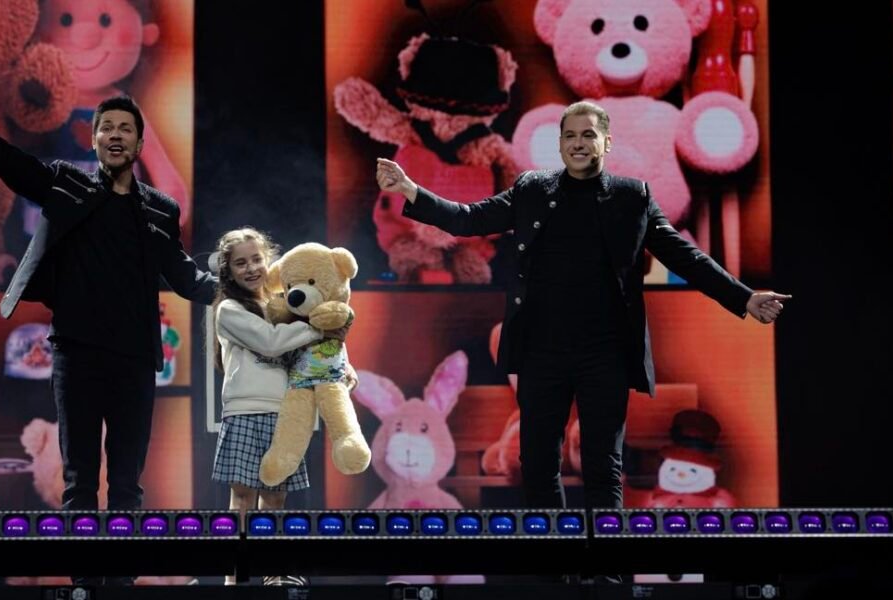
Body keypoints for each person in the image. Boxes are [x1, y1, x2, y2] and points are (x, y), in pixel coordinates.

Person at [376, 100, 790, 510]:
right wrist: (411, 191)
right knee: (538, 465)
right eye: (570, 135)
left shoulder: (633, 198)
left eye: (588, 134)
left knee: (603, 466)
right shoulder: (531, 190)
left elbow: (687, 258)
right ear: (559, 144)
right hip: (542, 349)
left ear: (606, 142)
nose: (578, 143)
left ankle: (605, 554)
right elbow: (467, 218)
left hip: (605, 351)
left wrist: (744, 298)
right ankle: (556, 553)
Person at [0, 52, 217, 584]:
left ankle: (120, 582)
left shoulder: (160, 209)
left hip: (134, 359)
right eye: (107, 128)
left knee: (126, 483)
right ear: (95, 140)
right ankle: (84, 585)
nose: (116, 136)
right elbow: (2, 159)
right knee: (79, 480)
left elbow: (184, 275)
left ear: (139, 145)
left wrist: (240, 289)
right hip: (76, 354)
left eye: (126, 129)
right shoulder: (66, 184)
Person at [210, 228, 351, 587]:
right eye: (241, 263)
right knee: (242, 499)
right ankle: (234, 580)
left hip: (286, 411)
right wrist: (318, 329)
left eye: (256, 259)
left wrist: (342, 365)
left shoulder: (286, 303)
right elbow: (271, 343)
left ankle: (273, 573)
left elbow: (317, 347)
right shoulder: (228, 309)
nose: (251, 268)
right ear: (229, 270)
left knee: (275, 499)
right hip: (244, 411)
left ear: (269, 260)